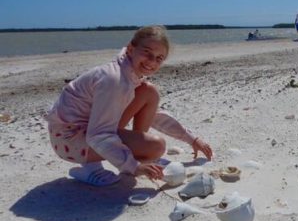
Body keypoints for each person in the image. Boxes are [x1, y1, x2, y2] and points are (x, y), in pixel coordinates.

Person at [45, 25, 213, 186]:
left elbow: (154, 114)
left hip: (88, 129)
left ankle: (133, 154)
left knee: (149, 92)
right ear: (131, 49)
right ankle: (89, 167)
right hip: (69, 140)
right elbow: (97, 134)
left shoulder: (129, 73)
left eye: (159, 58)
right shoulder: (115, 80)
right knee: (156, 147)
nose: (151, 62)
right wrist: (133, 166)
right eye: (147, 53)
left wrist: (192, 139)